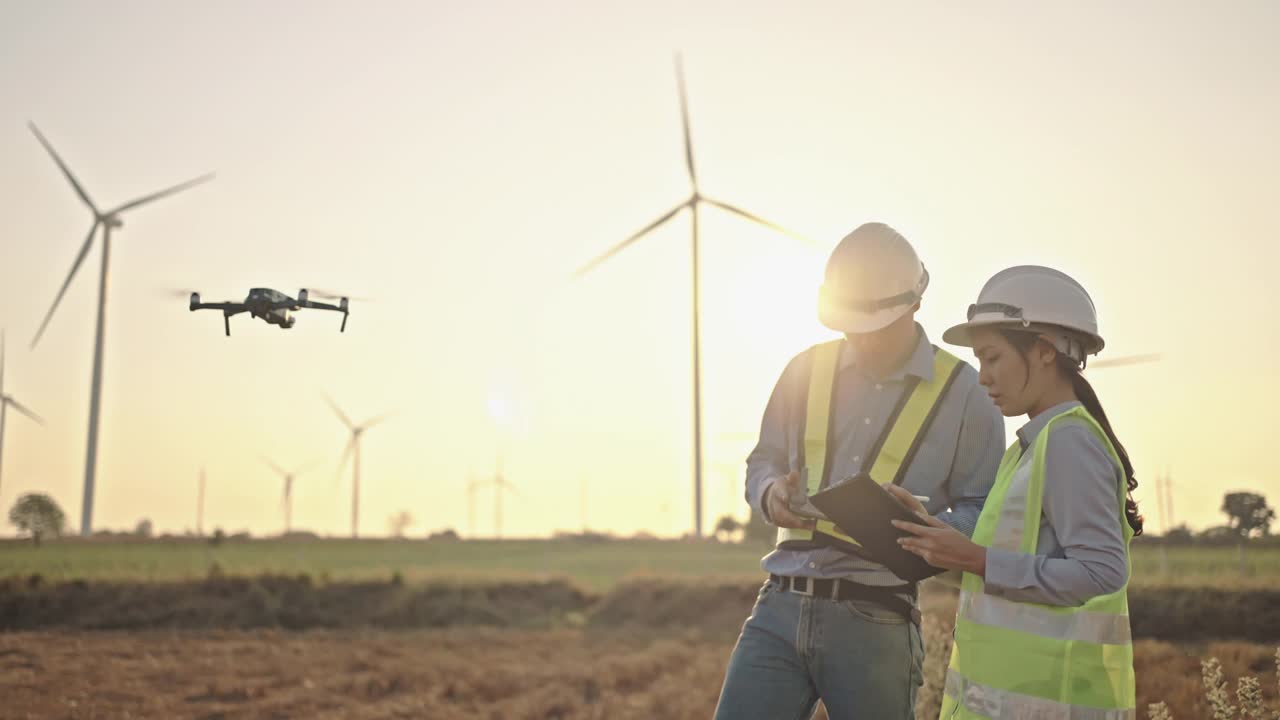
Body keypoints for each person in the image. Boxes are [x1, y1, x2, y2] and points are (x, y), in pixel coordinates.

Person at [713, 222, 1005, 720]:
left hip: (876, 616)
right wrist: (771, 496)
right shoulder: (804, 369)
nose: (862, 341)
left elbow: (987, 510)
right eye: (851, 327)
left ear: (915, 303)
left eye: (877, 328)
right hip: (779, 603)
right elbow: (762, 462)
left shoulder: (967, 395)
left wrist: (929, 531)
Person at [888, 265, 1142, 718]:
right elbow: (1002, 569)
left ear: (1045, 350)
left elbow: (1102, 572)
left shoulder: (1067, 441)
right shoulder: (1030, 448)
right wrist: (933, 538)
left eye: (992, 358)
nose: (982, 377)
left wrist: (975, 558)